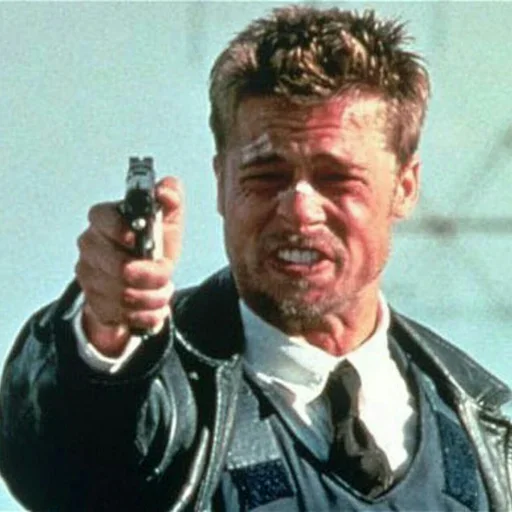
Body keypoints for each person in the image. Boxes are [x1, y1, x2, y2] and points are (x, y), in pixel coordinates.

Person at [1, 5, 511, 511]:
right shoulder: (164, 403)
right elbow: (68, 453)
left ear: (404, 187)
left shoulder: (483, 430)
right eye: (266, 177)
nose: (299, 210)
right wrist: (104, 338)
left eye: (337, 179)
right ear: (221, 182)